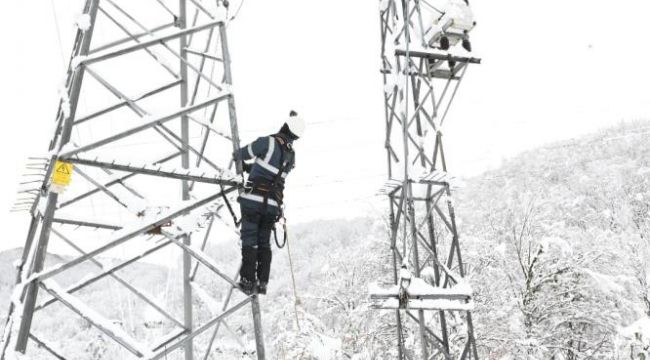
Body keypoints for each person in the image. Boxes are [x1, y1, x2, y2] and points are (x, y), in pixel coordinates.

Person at [233, 110, 305, 295]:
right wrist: (253, 168)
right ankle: (262, 282)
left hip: (254, 201)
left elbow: (241, 154)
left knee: (250, 238)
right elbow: (271, 174)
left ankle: (248, 281)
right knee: (264, 242)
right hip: (272, 204)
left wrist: (242, 162)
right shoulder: (291, 156)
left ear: (285, 126)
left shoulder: (268, 142)